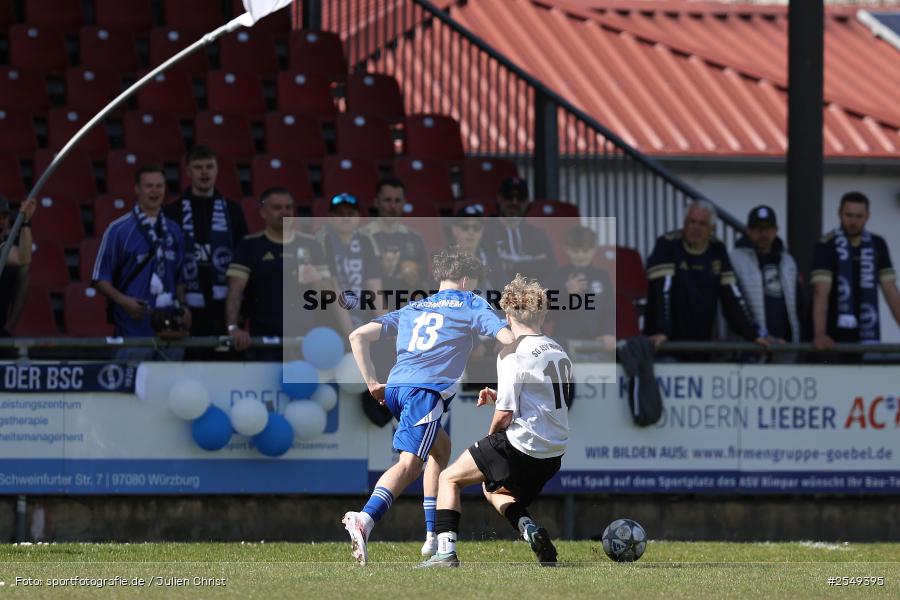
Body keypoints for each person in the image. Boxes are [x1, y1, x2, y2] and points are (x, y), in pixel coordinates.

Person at [341, 249, 515, 566]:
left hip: (395, 388)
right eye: (474, 285)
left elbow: (357, 335)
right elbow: (506, 337)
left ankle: (431, 536)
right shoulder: (471, 302)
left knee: (440, 450)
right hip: (424, 391)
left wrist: (371, 383)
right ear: (465, 281)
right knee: (409, 464)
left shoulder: (415, 307)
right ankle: (364, 520)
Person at [418, 275, 570, 568]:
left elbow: (505, 415)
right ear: (543, 313)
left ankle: (445, 552)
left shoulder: (512, 352)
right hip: (553, 453)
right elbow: (542, 396)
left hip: (522, 445)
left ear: (508, 313)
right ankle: (530, 530)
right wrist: (501, 395)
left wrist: (489, 445)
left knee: (449, 478)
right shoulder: (557, 348)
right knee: (496, 491)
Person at [644, 201, 767, 358]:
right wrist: (662, 331)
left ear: (712, 229)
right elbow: (662, 291)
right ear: (684, 223)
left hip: (701, 345)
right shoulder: (667, 245)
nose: (695, 227)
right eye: (691, 222)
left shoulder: (717, 250)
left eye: (702, 224)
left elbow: (732, 296)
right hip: (665, 346)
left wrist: (752, 334)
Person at [92, 164, 189, 358]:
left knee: (170, 388)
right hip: (132, 331)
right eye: (149, 186)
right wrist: (123, 301)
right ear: (137, 188)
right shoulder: (118, 230)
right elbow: (99, 278)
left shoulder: (175, 230)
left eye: (159, 186)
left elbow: (179, 277)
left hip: (170, 332)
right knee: (131, 387)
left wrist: (184, 307)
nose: (155, 191)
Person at [225, 188, 332, 360]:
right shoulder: (249, 245)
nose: (284, 212)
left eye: (288, 207)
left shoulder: (311, 244)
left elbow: (328, 293)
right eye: (277, 207)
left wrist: (318, 281)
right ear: (262, 212)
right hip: (263, 341)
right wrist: (233, 327)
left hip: (305, 340)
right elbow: (235, 290)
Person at [164, 145, 248, 358]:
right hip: (188, 310)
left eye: (209, 166)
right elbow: (168, 264)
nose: (204, 172)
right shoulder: (172, 212)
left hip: (224, 309)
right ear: (188, 172)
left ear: (217, 170)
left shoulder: (233, 211)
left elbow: (243, 260)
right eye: (198, 167)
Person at [811, 192, 900, 355]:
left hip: (867, 333)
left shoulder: (877, 244)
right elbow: (820, 292)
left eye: (859, 216)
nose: (853, 221)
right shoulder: (826, 244)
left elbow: (890, 290)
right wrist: (820, 334)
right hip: (833, 337)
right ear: (839, 213)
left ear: (868, 216)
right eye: (848, 215)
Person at [730, 206, 801, 352]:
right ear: (748, 230)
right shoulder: (734, 259)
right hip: (750, 346)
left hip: (786, 347)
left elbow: (799, 304)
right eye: (757, 228)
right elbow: (734, 305)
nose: (763, 233)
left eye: (768, 228)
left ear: (776, 230)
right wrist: (758, 334)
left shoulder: (788, 261)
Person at [317, 193, 383, 334]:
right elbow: (331, 288)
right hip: (329, 322)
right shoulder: (321, 241)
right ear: (330, 217)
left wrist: (387, 327)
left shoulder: (367, 241)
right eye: (340, 213)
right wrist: (350, 332)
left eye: (350, 213)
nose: (346, 217)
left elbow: (374, 287)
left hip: (363, 319)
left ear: (358, 216)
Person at [552, 225, 615, 352]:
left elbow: (608, 308)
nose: (580, 256)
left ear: (594, 249)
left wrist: (609, 333)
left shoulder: (602, 276)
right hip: (565, 342)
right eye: (575, 251)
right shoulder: (558, 275)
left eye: (585, 251)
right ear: (566, 249)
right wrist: (566, 293)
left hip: (597, 342)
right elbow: (547, 313)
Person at [360, 178, 428, 293]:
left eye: (397, 201)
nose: (393, 206)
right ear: (376, 202)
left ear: (404, 203)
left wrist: (415, 278)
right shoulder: (361, 237)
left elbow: (424, 281)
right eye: (387, 200)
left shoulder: (415, 238)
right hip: (371, 303)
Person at [483, 177, 555, 284]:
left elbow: (551, 271)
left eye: (520, 198)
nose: (514, 202)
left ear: (527, 202)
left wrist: (509, 264)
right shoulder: (484, 232)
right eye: (509, 197)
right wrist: (531, 263)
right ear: (499, 199)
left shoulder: (538, 235)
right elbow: (489, 269)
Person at [0, 196, 36, 337]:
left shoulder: (4, 245)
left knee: (23, 271)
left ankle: (6, 330)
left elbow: (24, 258)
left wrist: (26, 222)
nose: (2, 221)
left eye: (4, 216)